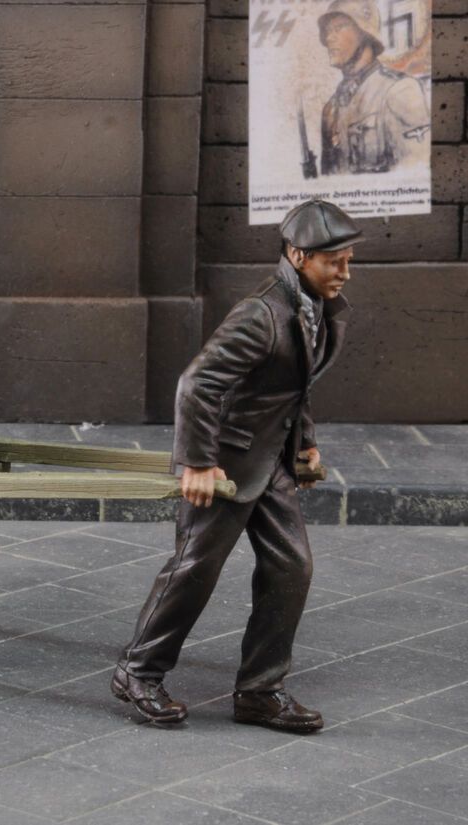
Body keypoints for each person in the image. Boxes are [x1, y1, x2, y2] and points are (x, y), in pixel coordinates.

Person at [111, 199, 362, 732]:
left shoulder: (318, 308)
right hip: (226, 464)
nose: (345, 272)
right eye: (333, 260)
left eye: (348, 259)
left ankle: (260, 690)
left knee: (291, 568)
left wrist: (305, 444)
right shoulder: (261, 312)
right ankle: (137, 672)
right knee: (195, 568)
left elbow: (292, 389)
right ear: (297, 256)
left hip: (272, 460)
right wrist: (198, 462)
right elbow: (197, 384)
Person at [318, 0, 430, 175]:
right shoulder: (331, 109)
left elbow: (415, 174)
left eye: (339, 28)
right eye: (327, 31)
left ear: (365, 33)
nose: (328, 38)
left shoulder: (399, 91)